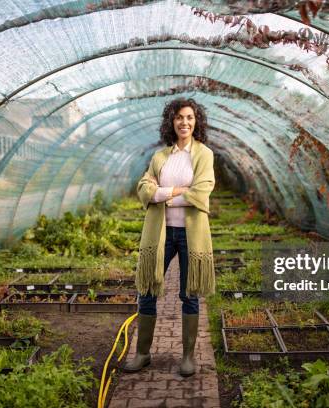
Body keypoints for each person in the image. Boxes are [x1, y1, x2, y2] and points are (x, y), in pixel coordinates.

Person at [122, 98, 216, 377]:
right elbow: (144, 189)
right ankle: (142, 353)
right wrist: (177, 191)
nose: (184, 122)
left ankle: (187, 356)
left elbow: (201, 193)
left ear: (196, 121)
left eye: (189, 117)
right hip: (160, 233)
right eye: (178, 117)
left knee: (189, 294)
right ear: (171, 122)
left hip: (191, 234)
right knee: (147, 289)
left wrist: (163, 194)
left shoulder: (204, 154)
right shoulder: (160, 157)